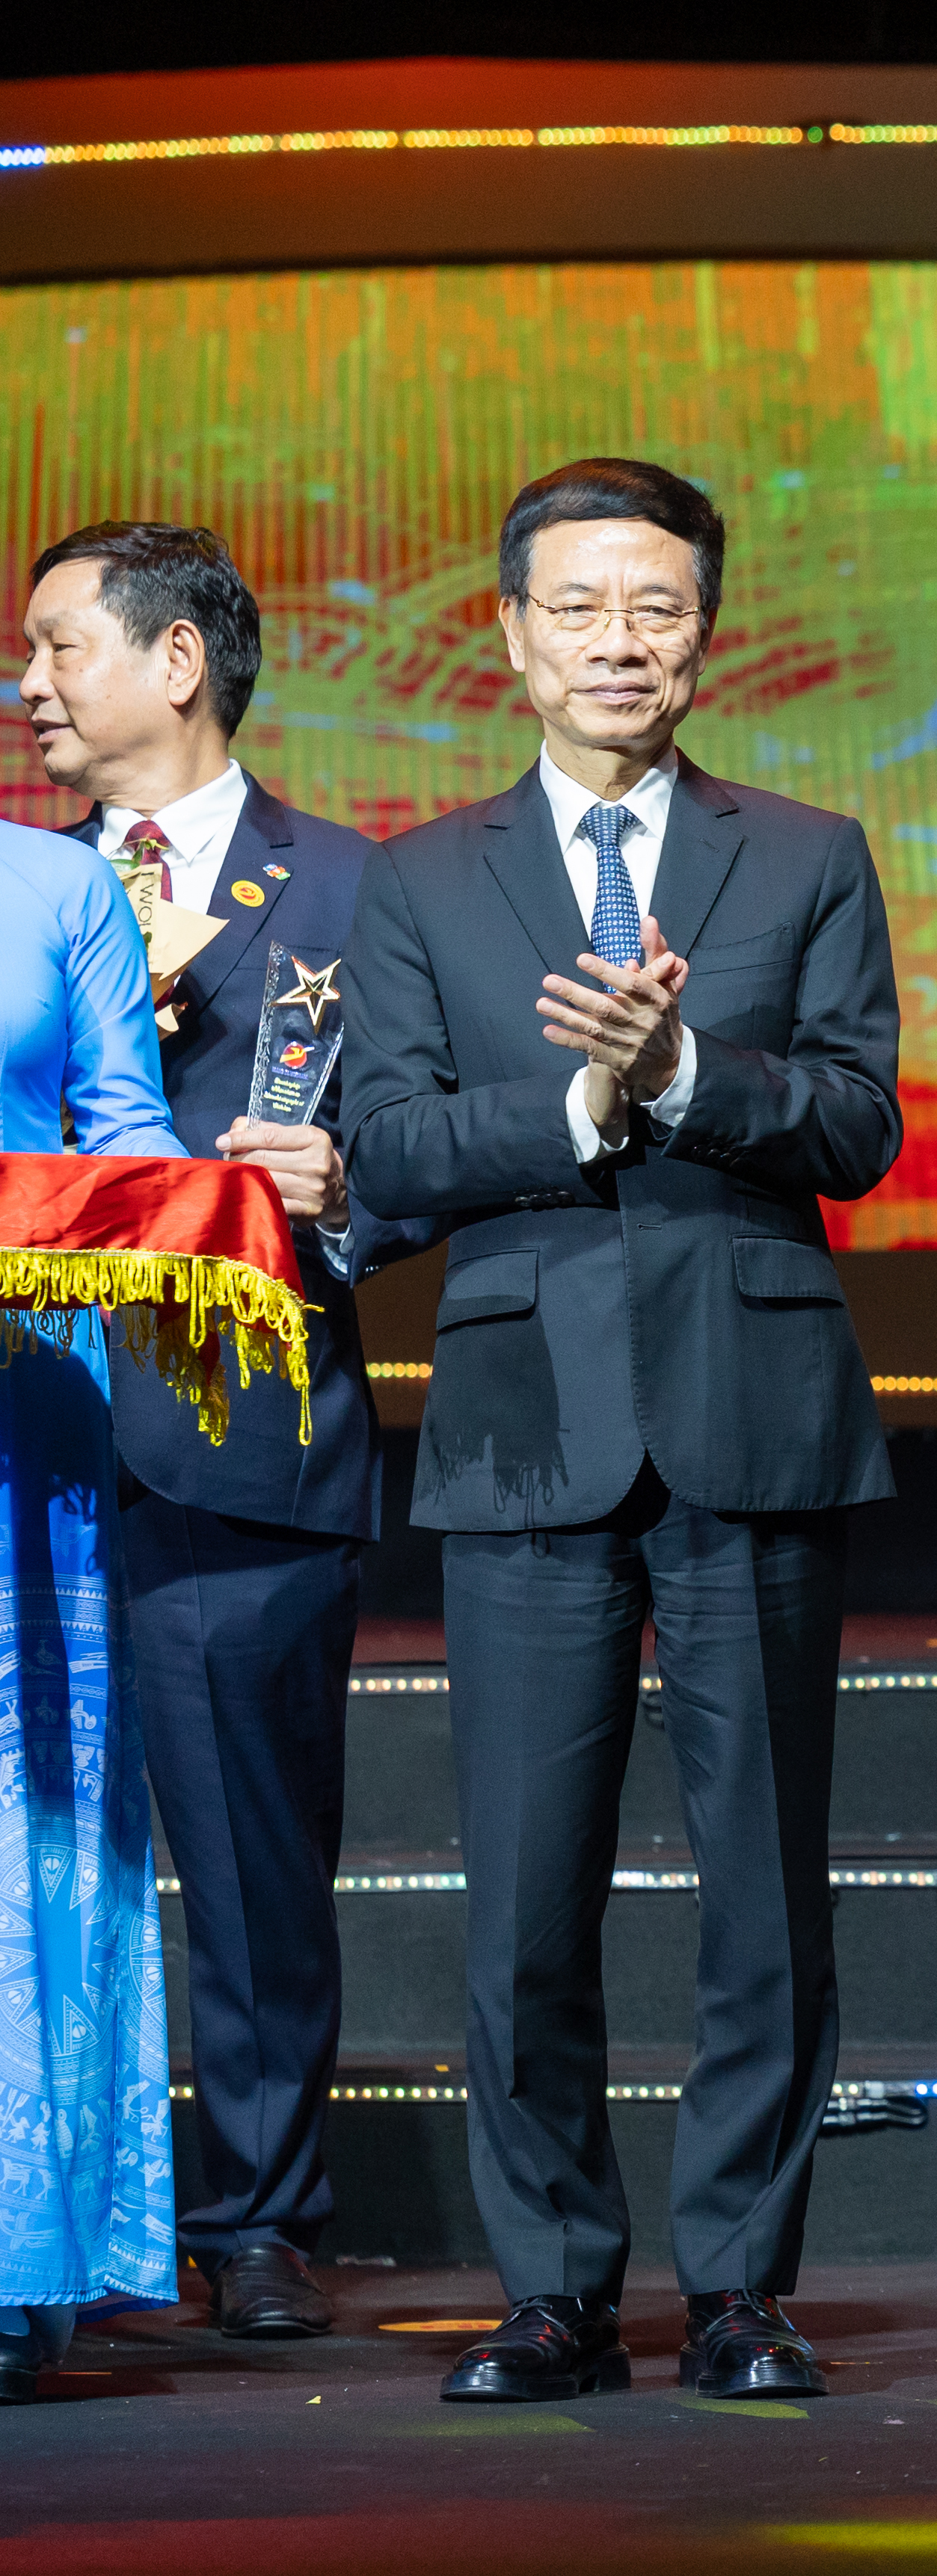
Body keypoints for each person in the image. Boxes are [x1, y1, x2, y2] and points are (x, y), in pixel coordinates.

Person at [343, 457, 905, 2405]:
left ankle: (741, 2281)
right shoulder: (416, 877)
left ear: (705, 631)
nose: (616, 640)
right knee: (523, 1885)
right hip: (523, 1417)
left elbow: (855, 1123)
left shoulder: (807, 852)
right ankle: (555, 2285)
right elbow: (396, 1144)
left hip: (753, 1401)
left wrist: (690, 1070)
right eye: (578, 605)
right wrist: (579, 1109)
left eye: (652, 606)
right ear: (510, 633)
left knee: (764, 1879)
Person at [17, 521, 434, 2342]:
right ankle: (55, 2215)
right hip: (31, 1433)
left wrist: (344, 1197)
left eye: (57, 650)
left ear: (174, 662)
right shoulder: (32, 890)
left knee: (252, 1851)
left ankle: (261, 2215)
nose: (28, 688)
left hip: (234, 1430)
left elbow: (425, 1146)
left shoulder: (354, 893)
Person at [0, 806, 191, 2399]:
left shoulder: (57, 885)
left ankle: (14, 2249)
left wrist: (224, 1206)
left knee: (21, 1820)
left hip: (18, 1408)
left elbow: (124, 1138)